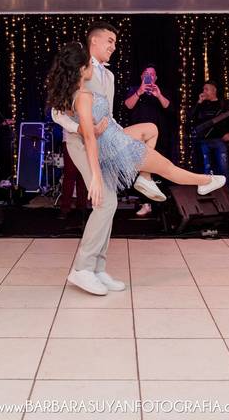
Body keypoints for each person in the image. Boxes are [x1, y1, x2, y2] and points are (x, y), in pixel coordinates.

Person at [47, 42, 225, 295]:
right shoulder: (82, 96)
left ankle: (96, 268)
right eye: (88, 64)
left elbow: (94, 126)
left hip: (115, 138)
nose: (93, 67)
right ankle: (204, 181)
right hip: (116, 149)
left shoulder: (78, 92)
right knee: (167, 167)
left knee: (150, 130)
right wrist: (95, 176)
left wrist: (101, 128)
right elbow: (88, 137)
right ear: (81, 68)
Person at [51, 22, 165, 296]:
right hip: (80, 142)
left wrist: (117, 136)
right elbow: (57, 111)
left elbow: (109, 115)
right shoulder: (79, 66)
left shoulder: (109, 76)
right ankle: (82, 268)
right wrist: (80, 129)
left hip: (104, 141)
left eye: (115, 42)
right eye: (110, 41)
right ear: (94, 42)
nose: (114, 46)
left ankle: (97, 269)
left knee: (109, 203)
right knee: (105, 202)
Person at [124, 64, 174, 216]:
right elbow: (127, 106)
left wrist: (158, 95)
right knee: (142, 170)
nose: (149, 76)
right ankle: (145, 203)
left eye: (152, 74)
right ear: (142, 77)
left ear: (156, 78)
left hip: (159, 138)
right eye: (146, 74)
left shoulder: (161, 91)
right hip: (139, 138)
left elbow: (170, 108)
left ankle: (160, 205)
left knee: (158, 170)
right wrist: (139, 92)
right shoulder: (134, 89)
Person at [191, 81, 229, 179]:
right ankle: (208, 187)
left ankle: (225, 188)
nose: (204, 91)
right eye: (203, 89)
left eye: (207, 89)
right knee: (206, 169)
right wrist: (199, 102)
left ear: (214, 90)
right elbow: (192, 117)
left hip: (219, 140)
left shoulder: (224, 104)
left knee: (223, 167)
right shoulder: (202, 104)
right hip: (204, 141)